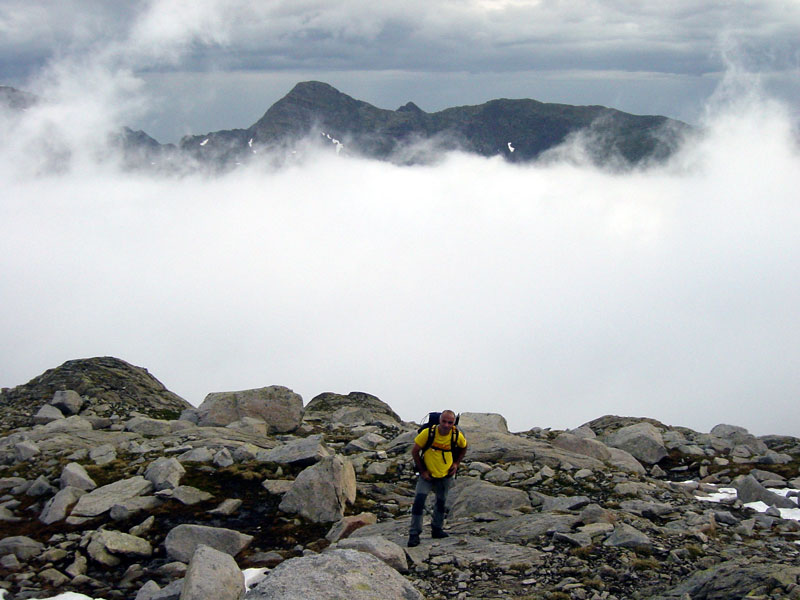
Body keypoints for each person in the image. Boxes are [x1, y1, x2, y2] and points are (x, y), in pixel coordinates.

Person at [408, 409, 467, 547]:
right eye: (444, 421)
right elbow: (415, 451)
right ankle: (414, 534)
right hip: (427, 475)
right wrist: (422, 471)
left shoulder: (456, 435)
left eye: (450, 422)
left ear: (454, 423)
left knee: (441, 503)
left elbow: (464, 447)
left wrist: (456, 464)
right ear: (439, 420)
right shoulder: (428, 433)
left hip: (445, 475)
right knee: (419, 502)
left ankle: (437, 529)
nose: (446, 425)